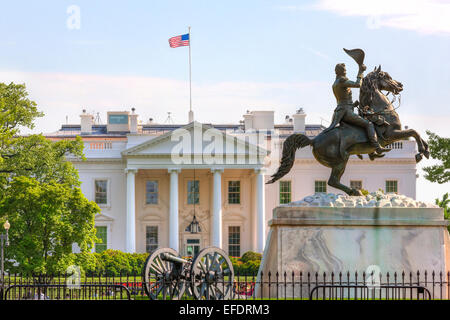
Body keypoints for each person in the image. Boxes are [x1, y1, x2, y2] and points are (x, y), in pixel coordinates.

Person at [324, 63, 390, 155]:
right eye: (344, 70)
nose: (346, 71)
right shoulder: (342, 81)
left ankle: (369, 149)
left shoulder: (335, 83)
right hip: (346, 112)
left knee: (363, 118)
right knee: (369, 124)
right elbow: (357, 84)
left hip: (341, 110)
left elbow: (342, 100)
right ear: (341, 72)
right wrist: (361, 71)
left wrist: (353, 105)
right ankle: (377, 147)